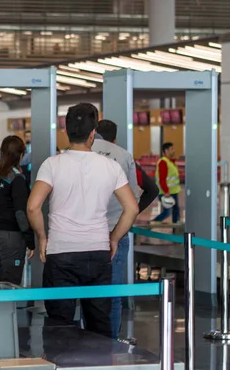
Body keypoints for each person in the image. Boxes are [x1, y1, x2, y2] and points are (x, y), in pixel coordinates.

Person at [27, 103, 139, 338]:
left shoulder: (52, 164)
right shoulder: (111, 166)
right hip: (98, 252)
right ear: (92, 134)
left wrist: (42, 237)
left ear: (66, 132)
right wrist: (114, 239)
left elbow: (33, 206)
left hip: (61, 253)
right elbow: (131, 208)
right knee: (100, 326)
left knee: (59, 326)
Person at [93, 119, 139, 338]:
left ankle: (86, 339)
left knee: (85, 292)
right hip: (116, 230)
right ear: (115, 137)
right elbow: (134, 198)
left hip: (85, 233)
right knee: (113, 293)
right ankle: (110, 342)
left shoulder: (77, 153)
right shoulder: (123, 155)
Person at [0, 136, 35, 285]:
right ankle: (11, 308)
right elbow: (20, 213)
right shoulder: (16, 178)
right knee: (11, 282)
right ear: (19, 155)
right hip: (11, 236)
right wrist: (30, 241)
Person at [152, 142, 181, 224]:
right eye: (172, 149)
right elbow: (162, 179)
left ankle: (176, 229)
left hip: (173, 192)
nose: (174, 151)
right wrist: (166, 191)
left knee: (176, 211)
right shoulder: (163, 162)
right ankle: (152, 224)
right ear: (166, 151)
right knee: (167, 212)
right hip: (167, 193)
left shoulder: (171, 162)